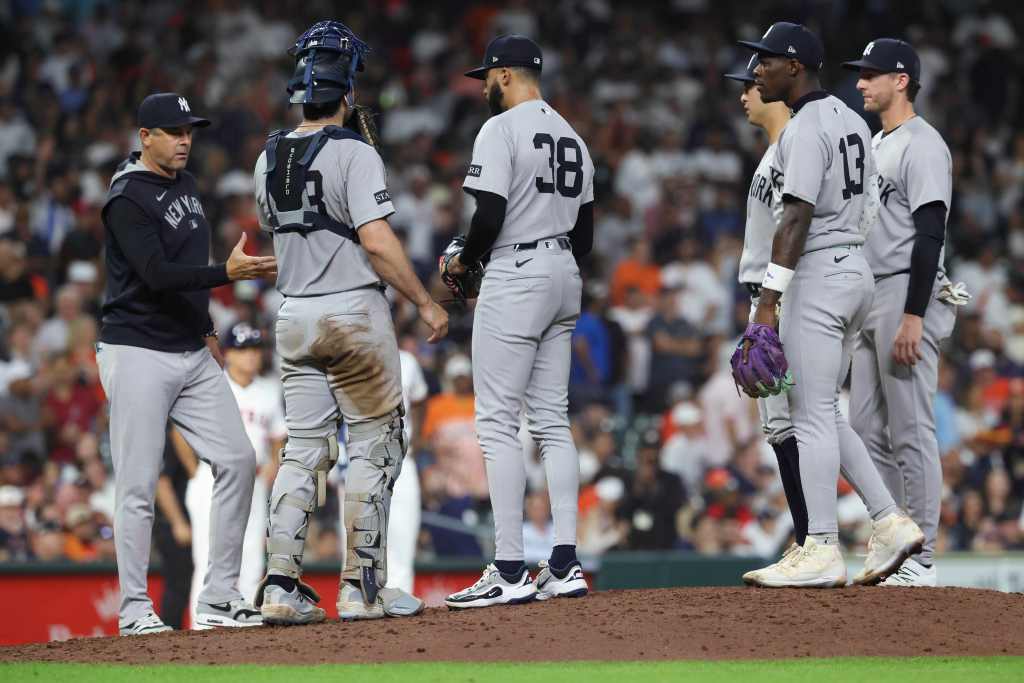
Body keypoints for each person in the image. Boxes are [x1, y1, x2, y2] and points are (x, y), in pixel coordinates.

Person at [252, 21, 448, 625]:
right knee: (375, 445)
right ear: (347, 90)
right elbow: (378, 242)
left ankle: (281, 587)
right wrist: (423, 300)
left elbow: (279, 231)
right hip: (353, 312)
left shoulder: (267, 157)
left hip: (294, 316)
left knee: (303, 450)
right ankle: (362, 590)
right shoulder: (354, 152)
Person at [737, 23, 923, 588]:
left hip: (815, 271)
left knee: (808, 413)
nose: (757, 71)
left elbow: (794, 216)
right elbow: (869, 206)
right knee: (825, 408)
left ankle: (820, 544)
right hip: (853, 269)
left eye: (765, 62)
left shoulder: (804, 126)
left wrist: (768, 301)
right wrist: (849, 258)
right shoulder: (853, 122)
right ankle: (889, 521)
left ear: (795, 66)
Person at [98, 91, 276, 635]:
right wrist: (227, 274)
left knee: (239, 460)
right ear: (144, 136)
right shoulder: (126, 197)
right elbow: (155, 274)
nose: (184, 140)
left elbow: (187, 267)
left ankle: (220, 595)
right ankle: (133, 611)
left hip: (188, 349)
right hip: (136, 350)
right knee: (137, 484)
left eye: (189, 131)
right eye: (173, 132)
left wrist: (205, 329)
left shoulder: (190, 186)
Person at [440, 34, 594, 609]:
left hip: (519, 270)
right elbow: (586, 237)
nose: (483, 86)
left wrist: (466, 259)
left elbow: (490, 214)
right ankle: (565, 561)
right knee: (553, 421)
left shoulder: (500, 129)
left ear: (506, 74)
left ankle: (507, 566)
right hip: (563, 275)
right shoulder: (574, 137)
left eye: (487, 76)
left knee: (498, 422)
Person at [843, 39, 968, 586]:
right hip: (870, 291)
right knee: (865, 426)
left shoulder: (924, 143)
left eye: (872, 74)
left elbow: (931, 233)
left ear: (902, 80)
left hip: (904, 291)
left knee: (911, 428)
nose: (861, 82)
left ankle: (923, 558)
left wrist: (915, 314)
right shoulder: (874, 142)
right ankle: (898, 542)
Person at [185, 322, 285, 624]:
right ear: (228, 354)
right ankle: (202, 626)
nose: (251, 356)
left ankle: (245, 626)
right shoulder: (213, 384)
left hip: (253, 482)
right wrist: (195, 471)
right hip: (211, 478)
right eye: (243, 350)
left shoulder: (269, 390)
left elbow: (279, 437)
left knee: (253, 554)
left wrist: (273, 465)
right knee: (207, 554)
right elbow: (179, 433)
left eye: (255, 349)